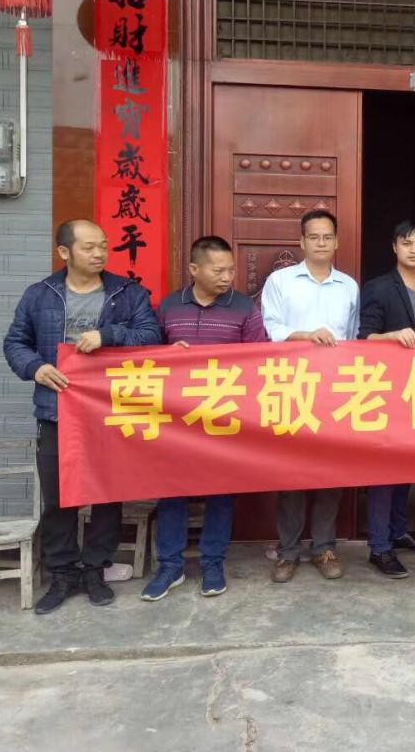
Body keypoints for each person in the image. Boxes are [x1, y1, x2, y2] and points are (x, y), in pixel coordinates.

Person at [3, 219, 162, 614]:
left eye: (103, 246)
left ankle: (95, 569)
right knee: (59, 497)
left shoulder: (126, 293)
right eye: (89, 247)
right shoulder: (40, 295)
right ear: (64, 252)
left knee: (107, 492)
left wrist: (109, 336)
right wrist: (36, 368)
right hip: (56, 412)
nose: (99, 254)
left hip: (108, 410)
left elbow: (151, 336)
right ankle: (62, 573)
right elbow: (15, 343)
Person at [141, 236, 267, 600]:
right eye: (218, 270)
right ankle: (171, 566)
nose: (227, 277)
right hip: (176, 421)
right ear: (194, 269)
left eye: (231, 270)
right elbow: (146, 356)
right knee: (172, 492)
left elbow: (259, 361)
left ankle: (214, 563)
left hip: (224, 418)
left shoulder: (244, 308)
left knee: (221, 493)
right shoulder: (169, 306)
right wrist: (167, 353)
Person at [260, 209, 359, 583]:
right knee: (291, 474)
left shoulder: (348, 286)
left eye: (327, 237)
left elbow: (353, 337)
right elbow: (269, 328)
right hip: (291, 386)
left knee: (330, 473)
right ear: (301, 242)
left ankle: (324, 548)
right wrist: (305, 335)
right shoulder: (280, 281)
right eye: (313, 237)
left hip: (335, 391)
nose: (321, 243)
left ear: (336, 241)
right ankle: (288, 552)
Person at [358, 220, 415, 579]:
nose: (414, 250)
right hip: (386, 390)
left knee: (407, 466)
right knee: (384, 470)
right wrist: (391, 336)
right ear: (394, 247)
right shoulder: (378, 287)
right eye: (407, 243)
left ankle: (398, 531)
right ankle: (379, 547)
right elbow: (363, 338)